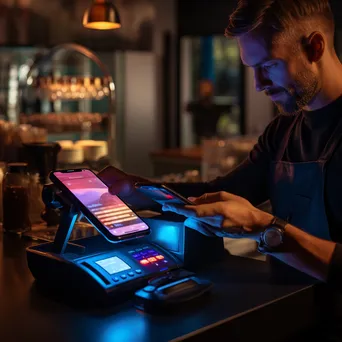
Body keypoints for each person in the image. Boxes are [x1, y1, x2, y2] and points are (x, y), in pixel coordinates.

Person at [100, 0, 342, 337]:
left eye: (269, 65)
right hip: (292, 316)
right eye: (251, 67)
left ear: (315, 47)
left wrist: (265, 228)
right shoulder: (283, 132)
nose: (258, 83)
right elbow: (224, 192)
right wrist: (136, 190)